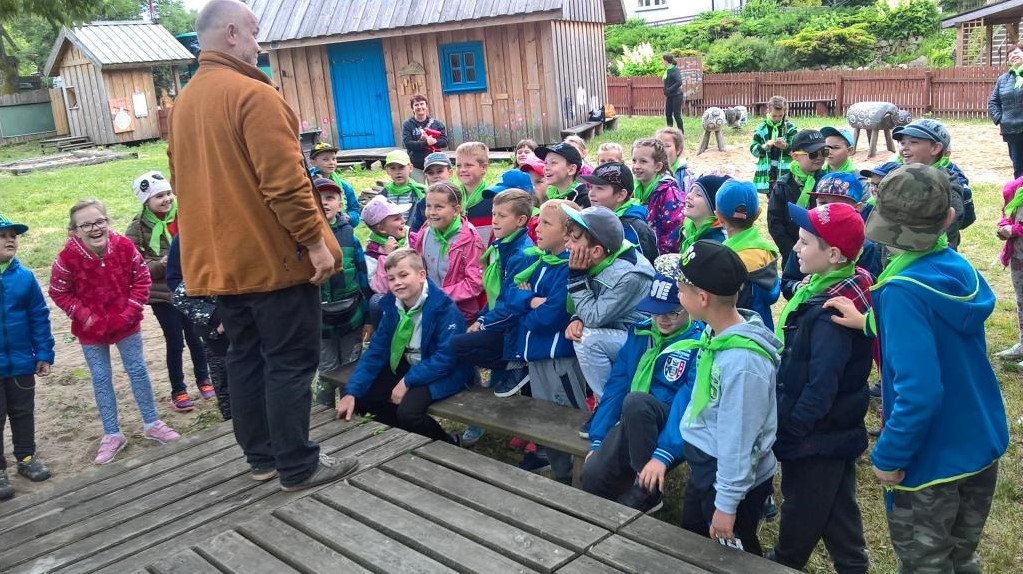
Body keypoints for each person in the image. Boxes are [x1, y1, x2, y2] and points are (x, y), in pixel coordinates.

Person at [168, 0, 357, 491]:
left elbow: (184, 185)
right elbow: (286, 184)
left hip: (224, 264)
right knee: (290, 360)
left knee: (245, 356)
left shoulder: (185, 103)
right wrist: (316, 243)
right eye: (254, 33)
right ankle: (298, 466)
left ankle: (263, 459)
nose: (259, 44)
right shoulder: (254, 95)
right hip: (274, 261)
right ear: (231, 34)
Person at [826, 164, 1009, 574]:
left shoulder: (901, 292)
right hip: (980, 440)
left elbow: (920, 392)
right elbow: (937, 333)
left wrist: (890, 454)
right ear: (948, 219)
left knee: (925, 564)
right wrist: (870, 322)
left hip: (931, 462)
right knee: (962, 556)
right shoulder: (957, 269)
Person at [769, 202, 872, 573]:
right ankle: (852, 564)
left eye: (805, 242)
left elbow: (821, 386)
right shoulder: (828, 286)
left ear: (833, 255)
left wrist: (792, 430)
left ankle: (783, 563)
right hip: (834, 431)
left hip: (816, 433)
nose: (796, 248)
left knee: (802, 506)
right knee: (837, 507)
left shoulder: (830, 315)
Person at [667, 239, 782, 556]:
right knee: (695, 538)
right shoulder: (716, 333)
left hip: (730, 479)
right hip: (708, 465)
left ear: (702, 298)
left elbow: (740, 437)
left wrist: (727, 503)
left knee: (732, 553)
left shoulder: (743, 363)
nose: (677, 295)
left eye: (681, 290)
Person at [49, 200, 180, 465]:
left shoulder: (124, 247)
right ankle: (112, 433)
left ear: (107, 222)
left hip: (125, 321)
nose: (95, 228)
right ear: (74, 231)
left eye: (100, 221)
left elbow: (141, 278)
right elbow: (59, 291)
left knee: (138, 369)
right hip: (91, 328)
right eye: (86, 225)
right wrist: (86, 317)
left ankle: (152, 422)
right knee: (100, 377)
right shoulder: (66, 259)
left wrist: (129, 311)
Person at [581, 254, 703, 513]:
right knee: (591, 477)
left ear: (688, 306)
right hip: (634, 420)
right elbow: (616, 386)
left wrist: (663, 453)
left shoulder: (698, 342)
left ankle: (647, 490)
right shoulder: (640, 332)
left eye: (672, 312)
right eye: (656, 311)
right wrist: (598, 438)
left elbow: (687, 402)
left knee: (637, 402)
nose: (662, 319)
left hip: (671, 424)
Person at [336, 249, 471, 443]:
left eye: (403, 275)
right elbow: (376, 351)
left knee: (409, 413)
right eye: (391, 279)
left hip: (442, 371)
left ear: (421, 275)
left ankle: (447, 442)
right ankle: (402, 437)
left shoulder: (444, 308)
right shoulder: (392, 305)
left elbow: (446, 358)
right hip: (409, 364)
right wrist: (351, 391)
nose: (397, 282)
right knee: (361, 398)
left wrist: (408, 381)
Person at [506, 199, 587, 479]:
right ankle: (560, 472)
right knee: (546, 419)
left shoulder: (568, 267)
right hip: (537, 356)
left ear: (567, 233)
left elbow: (550, 317)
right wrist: (531, 301)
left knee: (569, 419)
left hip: (558, 360)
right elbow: (511, 295)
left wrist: (525, 309)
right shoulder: (541, 261)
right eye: (538, 220)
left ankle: (580, 477)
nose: (536, 227)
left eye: (546, 223)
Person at [562, 205, 654, 438]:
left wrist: (576, 279)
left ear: (596, 251)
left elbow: (594, 316)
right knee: (582, 333)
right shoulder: (603, 257)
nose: (567, 244)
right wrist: (577, 317)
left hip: (642, 342)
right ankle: (608, 405)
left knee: (587, 339)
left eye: (574, 239)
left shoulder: (629, 275)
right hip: (617, 331)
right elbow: (590, 308)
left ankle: (610, 408)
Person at [124, 171, 211, 413]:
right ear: (146, 201)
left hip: (190, 287)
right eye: (159, 196)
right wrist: (161, 265)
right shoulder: (137, 228)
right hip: (162, 294)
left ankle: (204, 379)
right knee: (175, 342)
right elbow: (134, 265)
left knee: (196, 337)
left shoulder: (184, 217)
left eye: (168, 193)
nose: (166, 199)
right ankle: (178, 389)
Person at [451, 189, 535, 397]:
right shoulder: (503, 245)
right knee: (459, 336)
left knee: (457, 345)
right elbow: (496, 293)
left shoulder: (521, 254)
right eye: (493, 214)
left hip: (513, 329)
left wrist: (485, 323)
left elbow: (513, 304)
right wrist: (481, 318)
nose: (494, 220)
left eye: (502, 216)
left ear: (521, 220)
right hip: (500, 320)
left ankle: (516, 365)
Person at [0, 214, 54, 500]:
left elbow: (39, 316)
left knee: (23, 411)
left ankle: (26, 457)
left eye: (13, 236)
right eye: (2, 236)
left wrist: (43, 353)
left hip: (21, 362)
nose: (10, 240)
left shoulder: (25, 277)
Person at [314, 177, 371, 408]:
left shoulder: (351, 237)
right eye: (318, 198)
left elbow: (363, 278)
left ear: (340, 204)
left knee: (350, 367)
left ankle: (352, 410)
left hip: (351, 317)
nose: (324, 203)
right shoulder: (304, 239)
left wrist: (368, 317)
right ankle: (323, 413)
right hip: (320, 322)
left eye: (330, 198)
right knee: (326, 370)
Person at [781, 173, 882, 299]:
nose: (828, 209)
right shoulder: (808, 237)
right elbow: (787, 281)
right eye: (822, 202)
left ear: (858, 208)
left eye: (838, 205)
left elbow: (869, 292)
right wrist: (800, 287)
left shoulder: (867, 248)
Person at [166, 235, 232, 421]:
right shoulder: (187, 237)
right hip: (216, 333)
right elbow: (177, 290)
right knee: (226, 386)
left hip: (251, 328)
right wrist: (216, 318)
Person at [410, 182, 485, 325]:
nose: (432, 212)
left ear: (456, 210)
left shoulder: (469, 239)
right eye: (428, 206)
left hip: (459, 313)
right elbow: (418, 265)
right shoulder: (425, 231)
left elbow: (475, 283)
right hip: (429, 306)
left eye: (439, 207)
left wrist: (439, 295)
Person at [891, 118, 969, 250]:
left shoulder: (946, 185)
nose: (904, 147)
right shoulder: (899, 176)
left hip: (927, 254)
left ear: (935, 148)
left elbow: (949, 228)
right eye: (902, 142)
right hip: (894, 251)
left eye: (913, 142)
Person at [715, 179, 780, 331]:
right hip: (763, 331)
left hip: (735, 333)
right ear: (758, 214)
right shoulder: (766, 251)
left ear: (719, 217)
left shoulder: (726, 259)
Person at [768, 129, 828, 263]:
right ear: (795, 156)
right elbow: (775, 222)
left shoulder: (827, 182)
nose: (819, 157)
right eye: (813, 154)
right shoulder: (783, 185)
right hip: (793, 252)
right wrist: (791, 252)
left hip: (822, 252)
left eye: (824, 152)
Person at [582, 162, 657, 264]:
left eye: (599, 188)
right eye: (591, 187)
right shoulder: (591, 218)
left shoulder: (636, 229)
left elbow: (645, 267)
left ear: (621, 195)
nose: (591, 193)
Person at [363, 196, 412, 336]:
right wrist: (387, 256)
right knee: (376, 302)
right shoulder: (372, 253)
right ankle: (386, 337)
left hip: (414, 292)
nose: (403, 220)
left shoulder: (410, 239)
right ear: (382, 229)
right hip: (392, 297)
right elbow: (380, 288)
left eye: (401, 216)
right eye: (397, 218)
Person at [631, 138, 685, 254]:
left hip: (659, 255)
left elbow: (674, 230)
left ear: (658, 166)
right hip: (641, 250)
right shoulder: (634, 189)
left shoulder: (668, 192)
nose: (636, 166)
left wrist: (658, 256)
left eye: (643, 161)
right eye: (634, 160)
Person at [997, 175, 1023, 364]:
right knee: (1021, 301)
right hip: (1018, 256)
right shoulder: (1016, 188)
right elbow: (1006, 215)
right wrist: (1004, 227)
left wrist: (1014, 230)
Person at [988, 41, 1023, 178]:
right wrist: (1001, 119)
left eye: (1017, 52)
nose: (1013, 55)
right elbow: (993, 102)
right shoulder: (1003, 79)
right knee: (1018, 168)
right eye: (1010, 54)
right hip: (1011, 130)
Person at [306, 142, 362, 227]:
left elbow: (355, 211)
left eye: (334, 159)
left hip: (340, 227)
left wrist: (349, 217)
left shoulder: (344, 187)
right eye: (326, 159)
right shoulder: (308, 184)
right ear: (313, 162)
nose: (331, 162)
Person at [751, 95, 797, 195]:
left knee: (786, 197)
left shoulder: (790, 128)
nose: (777, 119)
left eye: (780, 116)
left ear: (785, 113)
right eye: (774, 116)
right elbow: (754, 151)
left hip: (785, 171)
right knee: (771, 198)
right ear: (768, 111)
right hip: (767, 172)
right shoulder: (761, 128)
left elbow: (796, 151)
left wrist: (785, 146)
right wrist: (765, 146)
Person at [401, 94, 448, 182]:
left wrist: (434, 141)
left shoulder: (437, 124)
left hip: (434, 164)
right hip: (416, 164)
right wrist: (425, 143)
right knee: (418, 189)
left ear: (426, 106)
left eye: (422, 104)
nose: (419, 107)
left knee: (436, 188)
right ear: (412, 108)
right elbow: (407, 143)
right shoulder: (407, 124)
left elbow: (445, 142)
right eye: (416, 105)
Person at [455, 141, 495, 245]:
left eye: (468, 165)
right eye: (458, 165)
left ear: (483, 168)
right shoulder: (453, 198)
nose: (462, 169)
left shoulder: (493, 199)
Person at [679, 175, 729, 255]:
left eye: (698, 194)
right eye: (690, 191)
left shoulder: (718, 242)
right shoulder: (688, 229)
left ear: (714, 206)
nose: (689, 196)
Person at [408, 151, 452, 233]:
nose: (435, 176)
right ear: (426, 176)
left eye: (439, 171)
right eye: (430, 173)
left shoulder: (459, 198)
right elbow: (415, 232)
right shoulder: (422, 204)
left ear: (450, 173)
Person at [537, 142, 590, 208]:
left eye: (553, 163)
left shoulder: (584, 198)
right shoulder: (550, 195)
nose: (546, 168)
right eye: (545, 163)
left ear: (571, 170)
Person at [382, 149, 427, 219]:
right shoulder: (384, 194)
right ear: (387, 171)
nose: (397, 172)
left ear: (410, 168)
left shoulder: (420, 192)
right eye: (393, 168)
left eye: (401, 167)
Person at [655, 126, 695, 193]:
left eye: (666, 146)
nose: (661, 149)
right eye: (657, 145)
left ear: (678, 149)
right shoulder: (647, 173)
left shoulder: (686, 178)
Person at [662, 53, 685, 131]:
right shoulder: (668, 70)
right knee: (668, 114)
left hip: (677, 95)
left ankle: (681, 133)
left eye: (663, 60)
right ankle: (669, 133)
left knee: (676, 115)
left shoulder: (675, 70)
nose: (662, 62)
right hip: (670, 96)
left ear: (666, 61)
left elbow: (679, 82)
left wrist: (669, 89)